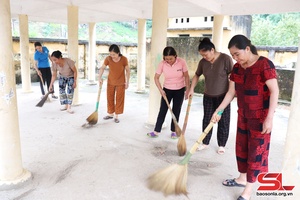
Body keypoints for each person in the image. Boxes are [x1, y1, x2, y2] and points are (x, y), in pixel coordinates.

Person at [211, 35, 279, 200]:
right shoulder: (237, 68)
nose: (235, 58)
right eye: (232, 55)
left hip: (260, 118)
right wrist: (219, 111)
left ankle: (248, 190)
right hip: (243, 115)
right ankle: (242, 178)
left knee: (255, 152)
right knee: (242, 148)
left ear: (247, 49)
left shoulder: (264, 65)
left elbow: (275, 91)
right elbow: (231, 92)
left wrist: (269, 118)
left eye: (237, 54)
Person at [188, 38, 233, 154]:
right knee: (207, 119)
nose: (204, 57)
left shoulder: (225, 59)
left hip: (223, 96)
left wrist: (232, 92)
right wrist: (191, 89)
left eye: (205, 54)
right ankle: (205, 142)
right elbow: (197, 75)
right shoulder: (203, 63)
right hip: (208, 95)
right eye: (202, 55)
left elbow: (232, 77)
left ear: (212, 50)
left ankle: (222, 145)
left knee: (223, 121)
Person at [147, 46, 190, 139]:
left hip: (180, 89)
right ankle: (156, 131)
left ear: (175, 56)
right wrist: (161, 90)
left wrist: (187, 89)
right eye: (166, 59)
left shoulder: (181, 62)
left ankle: (174, 131)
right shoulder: (162, 64)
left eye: (170, 58)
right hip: (167, 90)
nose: (169, 61)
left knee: (176, 110)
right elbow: (156, 78)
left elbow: (186, 76)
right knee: (163, 110)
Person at [98, 44, 130, 123]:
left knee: (119, 99)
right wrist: (99, 77)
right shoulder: (108, 59)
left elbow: (128, 71)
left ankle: (116, 115)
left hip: (121, 82)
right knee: (110, 98)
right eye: (111, 54)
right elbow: (102, 68)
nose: (112, 56)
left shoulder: (124, 59)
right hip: (111, 81)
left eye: (114, 54)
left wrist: (127, 82)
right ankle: (110, 114)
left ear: (118, 53)